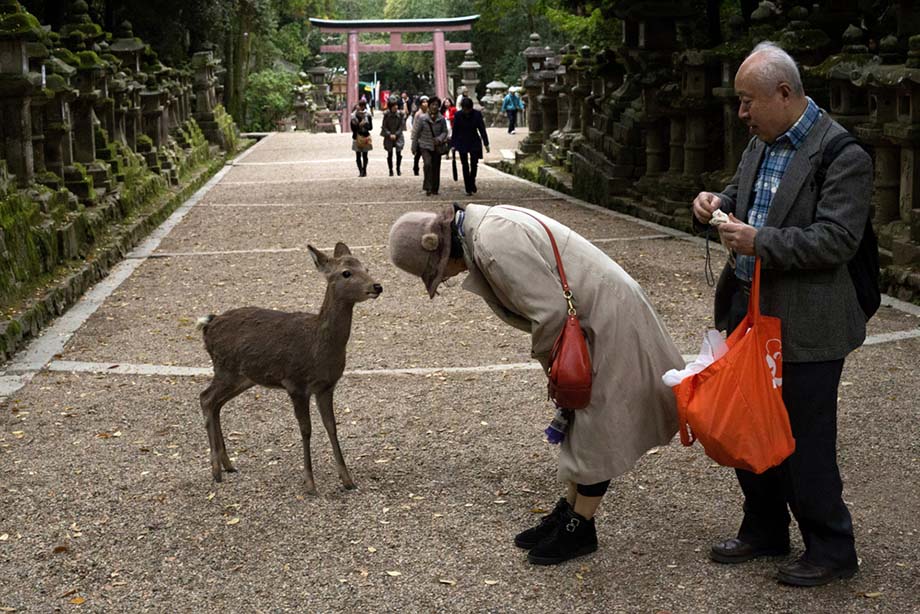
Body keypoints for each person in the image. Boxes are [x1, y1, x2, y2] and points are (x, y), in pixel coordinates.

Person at [387, 203, 682, 565]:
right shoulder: (486, 229)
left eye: (440, 273)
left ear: (442, 249)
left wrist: (553, 366)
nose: (447, 278)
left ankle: (580, 527)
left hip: (605, 320)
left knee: (595, 424)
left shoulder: (493, 245)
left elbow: (551, 312)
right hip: (593, 317)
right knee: (581, 419)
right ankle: (570, 510)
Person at [691, 41, 872, 587]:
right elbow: (741, 197)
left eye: (748, 101)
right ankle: (765, 527)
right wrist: (711, 205)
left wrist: (759, 241)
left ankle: (832, 546)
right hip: (749, 313)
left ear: (784, 93)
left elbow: (838, 239)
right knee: (749, 422)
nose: (741, 112)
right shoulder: (761, 143)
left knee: (805, 439)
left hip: (808, 324)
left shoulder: (844, 155)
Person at [450, 97, 490, 195]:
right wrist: (453, 144)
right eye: (465, 109)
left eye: (468, 109)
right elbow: (455, 130)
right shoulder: (458, 115)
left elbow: (482, 129)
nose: (466, 111)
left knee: (474, 163)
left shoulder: (477, 115)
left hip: (474, 140)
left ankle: (472, 181)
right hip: (462, 140)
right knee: (464, 164)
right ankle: (468, 186)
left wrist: (486, 143)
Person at [411, 96, 448, 196]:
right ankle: (427, 186)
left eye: (437, 105)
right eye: (433, 104)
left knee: (436, 166)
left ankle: (435, 188)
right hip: (425, 145)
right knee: (427, 164)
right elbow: (417, 133)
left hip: (437, 146)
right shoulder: (422, 118)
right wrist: (414, 146)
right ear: (429, 105)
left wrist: (439, 139)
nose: (434, 107)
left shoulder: (441, 119)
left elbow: (445, 131)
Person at [381, 98, 406, 176]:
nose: (396, 107)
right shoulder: (386, 115)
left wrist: (396, 134)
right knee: (390, 153)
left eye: (396, 105)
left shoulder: (400, 114)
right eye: (394, 106)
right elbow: (384, 126)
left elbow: (402, 126)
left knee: (398, 153)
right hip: (389, 136)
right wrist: (389, 134)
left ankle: (398, 168)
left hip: (398, 135)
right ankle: (390, 170)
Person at [350, 101, 373, 177]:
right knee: (358, 155)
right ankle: (360, 171)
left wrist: (365, 124)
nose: (361, 108)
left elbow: (370, 127)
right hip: (357, 136)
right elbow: (353, 128)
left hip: (365, 136)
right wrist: (359, 125)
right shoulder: (354, 116)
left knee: (365, 155)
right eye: (360, 106)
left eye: (363, 106)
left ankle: (364, 170)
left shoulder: (368, 115)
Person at [411, 96, 430, 176]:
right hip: (419, 137)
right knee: (418, 154)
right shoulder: (418, 114)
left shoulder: (430, 113)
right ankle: (416, 168)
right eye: (423, 102)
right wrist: (414, 138)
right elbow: (415, 126)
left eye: (426, 102)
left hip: (428, 137)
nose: (425, 104)